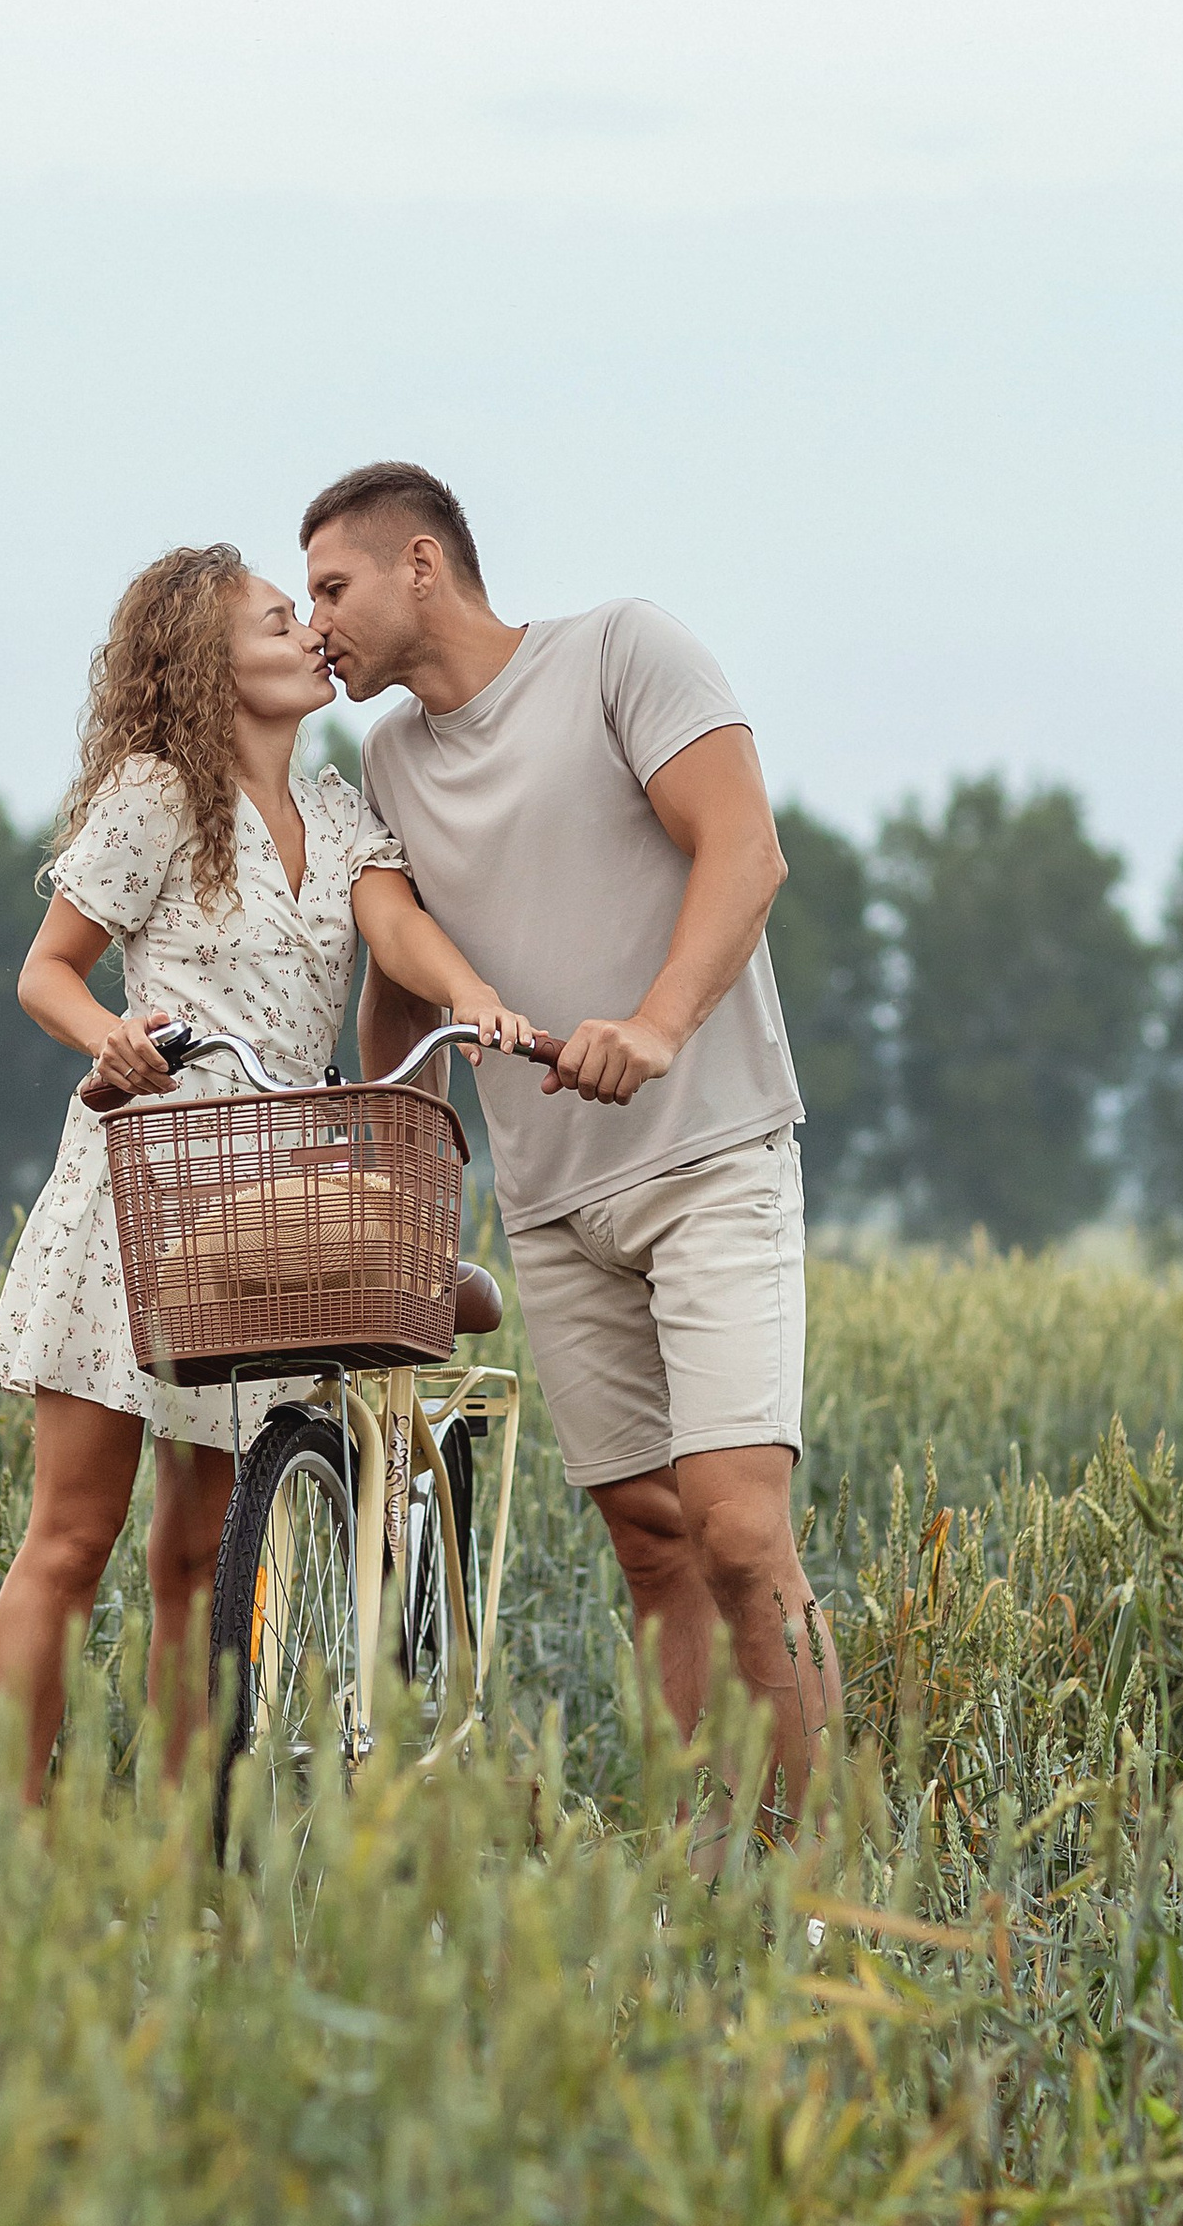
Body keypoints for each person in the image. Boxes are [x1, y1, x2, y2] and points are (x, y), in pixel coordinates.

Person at [300, 459, 843, 1828]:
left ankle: (821, 1885)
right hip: (551, 1203)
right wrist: (391, 1157)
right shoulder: (389, 759)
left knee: (738, 1528)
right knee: (653, 1545)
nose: (317, 624)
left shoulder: (620, 652)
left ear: (420, 562)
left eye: (331, 586)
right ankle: (707, 1870)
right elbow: (406, 977)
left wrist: (657, 1026)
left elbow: (747, 851)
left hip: (709, 1156)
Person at [0, 540, 537, 1799]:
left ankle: (194, 1853)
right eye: (281, 620)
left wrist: (472, 996)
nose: (310, 636)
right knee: (72, 1537)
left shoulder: (336, 811)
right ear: (206, 659)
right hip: (148, 1177)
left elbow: (394, 926)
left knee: (203, 1551)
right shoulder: (156, 796)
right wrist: (108, 1038)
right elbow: (45, 970)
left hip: (266, 1192)